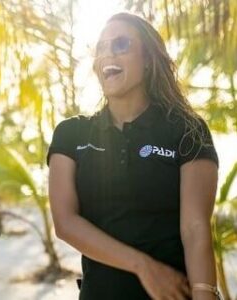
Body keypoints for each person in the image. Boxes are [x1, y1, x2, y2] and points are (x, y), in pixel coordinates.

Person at [46, 11, 221, 300]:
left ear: (149, 60)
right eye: (101, 47)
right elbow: (65, 223)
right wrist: (143, 267)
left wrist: (204, 293)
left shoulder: (187, 130)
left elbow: (195, 227)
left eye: (121, 44)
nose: (107, 54)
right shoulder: (71, 134)